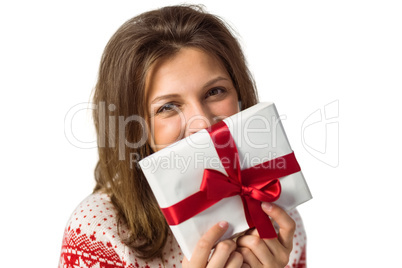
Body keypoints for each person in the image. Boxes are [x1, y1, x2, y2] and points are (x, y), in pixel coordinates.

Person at [59, 5, 307, 268]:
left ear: (240, 95)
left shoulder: (280, 216)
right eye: (167, 107)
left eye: (215, 92)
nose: (201, 123)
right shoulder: (97, 232)